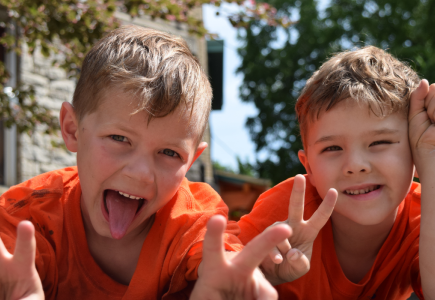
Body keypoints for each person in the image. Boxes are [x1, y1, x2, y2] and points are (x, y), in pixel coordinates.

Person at [0, 25, 294, 300]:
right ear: (72, 129)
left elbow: (220, 256)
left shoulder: (192, 220)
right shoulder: (28, 216)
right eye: (119, 138)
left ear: (191, 161)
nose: (141, 173)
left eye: (169, 153)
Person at [238, 46, 435, 299]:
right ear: (307, 165)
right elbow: (219, 279)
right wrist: (262, 272)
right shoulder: (286, 214)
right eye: (332, 148)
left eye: (380, 143)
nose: (355, 164)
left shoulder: (424, 216)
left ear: (416, 152)